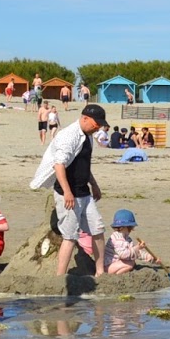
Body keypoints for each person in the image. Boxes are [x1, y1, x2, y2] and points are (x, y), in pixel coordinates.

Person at [31, 103, 110, 277]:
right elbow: (59, 165)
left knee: (98, 229)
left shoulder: (88, 136)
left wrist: (94, 184)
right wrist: (67, 192)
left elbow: (84, 165)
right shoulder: (68, 135)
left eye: (99, 125)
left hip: (84, 192)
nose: (97, 128)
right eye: (96, 124)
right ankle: (60, 276)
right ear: (85, 118)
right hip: (66, 193)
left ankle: (100, 272)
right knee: (70, 236)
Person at [104, 208, 162, 274]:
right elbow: (123, 255)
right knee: (130, 263)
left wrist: (150, 257)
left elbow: (136, 253)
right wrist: (137, 247)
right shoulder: (117, 238)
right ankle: (117, 275)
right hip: (109, 266)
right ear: (123, 227)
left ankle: (121, 272)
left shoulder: (127, 239)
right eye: (130, 227)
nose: (131, 230)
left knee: (131, 262)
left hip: (117, 264)